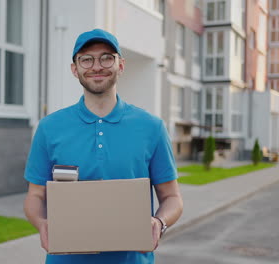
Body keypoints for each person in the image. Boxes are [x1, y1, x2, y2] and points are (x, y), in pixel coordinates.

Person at [23, 28, 183, 264]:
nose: (97, 66)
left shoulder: (151, 127)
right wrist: (42, 223)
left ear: (120, 65)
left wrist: (159, 222)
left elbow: (172, 198)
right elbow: (35, 196)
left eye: (106, 57)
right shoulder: (49, 128)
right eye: (86, 59)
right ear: (74, 69)